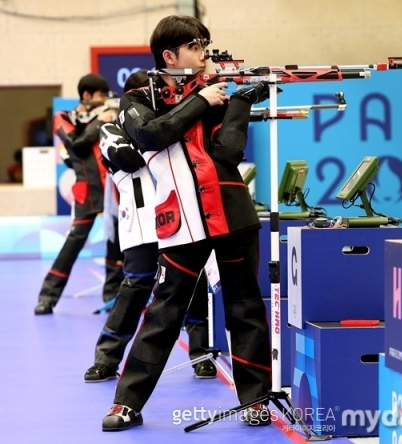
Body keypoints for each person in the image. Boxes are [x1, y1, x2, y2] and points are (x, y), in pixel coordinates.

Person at [101, 15, 272, 431]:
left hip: (232, 213)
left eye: (206, 46)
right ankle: (126, 403)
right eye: (197, 46)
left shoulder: (217, 93)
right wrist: (203, 100)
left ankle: (256, 400)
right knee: (163, 311)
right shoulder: (140, 96)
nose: (204, 54)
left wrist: (240, 102)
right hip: (179, 220)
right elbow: (150, 136)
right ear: (170, 55)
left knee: (246, 308)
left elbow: (228, 152)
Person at [85, 70, 217, 382]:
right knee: (135, 289)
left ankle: (201, 354)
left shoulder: (171, 125)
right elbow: (127, 158)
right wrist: (154, 132)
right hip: (142, 225)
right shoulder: (111, 130)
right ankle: (106, 358)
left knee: (193, 285)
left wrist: (164, 126)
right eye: (148, 94)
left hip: (181, 217)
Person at [34, 74, 124, 315]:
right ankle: (47, 297)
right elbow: (78, 144)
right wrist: (99, 121)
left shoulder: (109, 115)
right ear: (86, 95)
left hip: (112, 192)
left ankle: (111, 298)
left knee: (116, 247)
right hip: (86, 194)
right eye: (99, 96)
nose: (104, 100)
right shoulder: (63, 117)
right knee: (71, 248)